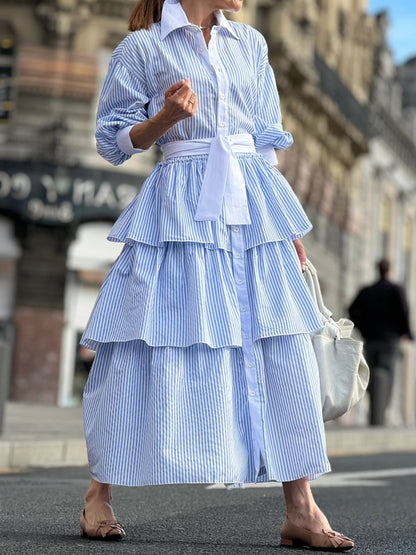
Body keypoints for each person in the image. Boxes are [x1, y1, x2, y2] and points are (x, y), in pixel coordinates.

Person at [79, 0, 354, 550]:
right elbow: (111, 140)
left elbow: (268, 141)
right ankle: (98, 496)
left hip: (255, 207)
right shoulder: (144, 48)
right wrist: (165, 119)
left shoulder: (250, 44)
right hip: (180, 208)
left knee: (278, 345)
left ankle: (300, 508)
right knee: (144, 342)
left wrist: (291, 234)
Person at [349, 258, 413, 426]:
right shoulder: (396, 290)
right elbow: (404, 312)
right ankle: (382, 411)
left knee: (370, 374)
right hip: (390, 341)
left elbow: (352, 310)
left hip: (371, 339)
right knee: (388, 374)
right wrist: (406, 333)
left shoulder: (367, 291)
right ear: (389, 270)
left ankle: (373, 406)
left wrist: (362, 329)